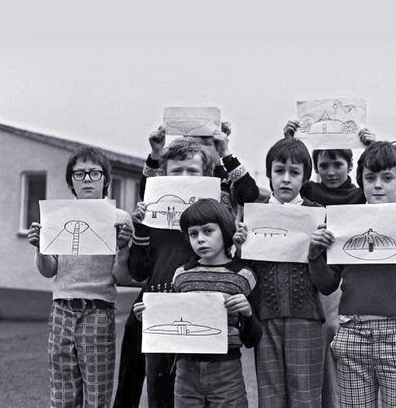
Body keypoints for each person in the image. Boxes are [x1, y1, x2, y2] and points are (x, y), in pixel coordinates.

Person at [123, 130, 259, 408]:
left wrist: (225, 154)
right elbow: (137, 271)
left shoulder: (213, 217)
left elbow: (249, 194)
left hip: (209, 318)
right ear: (165, 175)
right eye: (177, 170)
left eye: (192, 170)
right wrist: (139, 228)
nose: (184, 176)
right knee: (159, 394)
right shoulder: (153, 214)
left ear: (207, 176)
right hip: (161, 308)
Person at [307, 140, 396, 407]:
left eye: (387, 178)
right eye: (370, 177)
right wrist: (314, 255)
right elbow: (327, 285)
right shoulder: (344, 224)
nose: (378, 184)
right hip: (351, 334)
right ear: (362, 182)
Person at [27, 146, 134, 408]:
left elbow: (120, 276)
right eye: (79, 174)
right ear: (71, 181)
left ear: (106, 180)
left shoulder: (119, 219)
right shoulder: (57, 217)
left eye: (94, 173)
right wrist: (40, 247)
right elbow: (49, 270)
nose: (87, 179)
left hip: (98, 309)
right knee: (62, 393)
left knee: (97, 394)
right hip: (61, 308)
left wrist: (123, 250)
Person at [135, 198, 262, 407]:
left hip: (227, 372)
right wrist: (148, 318)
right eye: (193, 234)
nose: (200, 239)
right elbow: (171, 330)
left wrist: (248, 314)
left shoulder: (244, 275)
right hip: (185, 373)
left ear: (225, 231)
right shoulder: (181, 275)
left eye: (208, 231)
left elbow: (253, 338)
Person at [283, 119, 374, 407]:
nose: (331, 172)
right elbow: (283, 190)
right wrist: (289, 140)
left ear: (350, 165)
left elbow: (384, 189)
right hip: (310, 273)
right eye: (324, 165)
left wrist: (371, 148)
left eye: (337, 164)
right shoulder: (308, 192)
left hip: (345, 280)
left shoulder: (360, 195)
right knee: (317, 344)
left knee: (339, 341)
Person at [236, 137, 326, 407]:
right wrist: (239, 247)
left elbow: (327, 281)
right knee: (271, 398)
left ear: (305, 177)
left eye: (294, 172)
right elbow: (245, 271)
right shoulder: (254, 215)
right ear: (269, 174)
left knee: (306, 398)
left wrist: (318, 251)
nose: (286, 179)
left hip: (306, 317)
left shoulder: (317, 216)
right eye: (279, 171)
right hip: (266, 317)